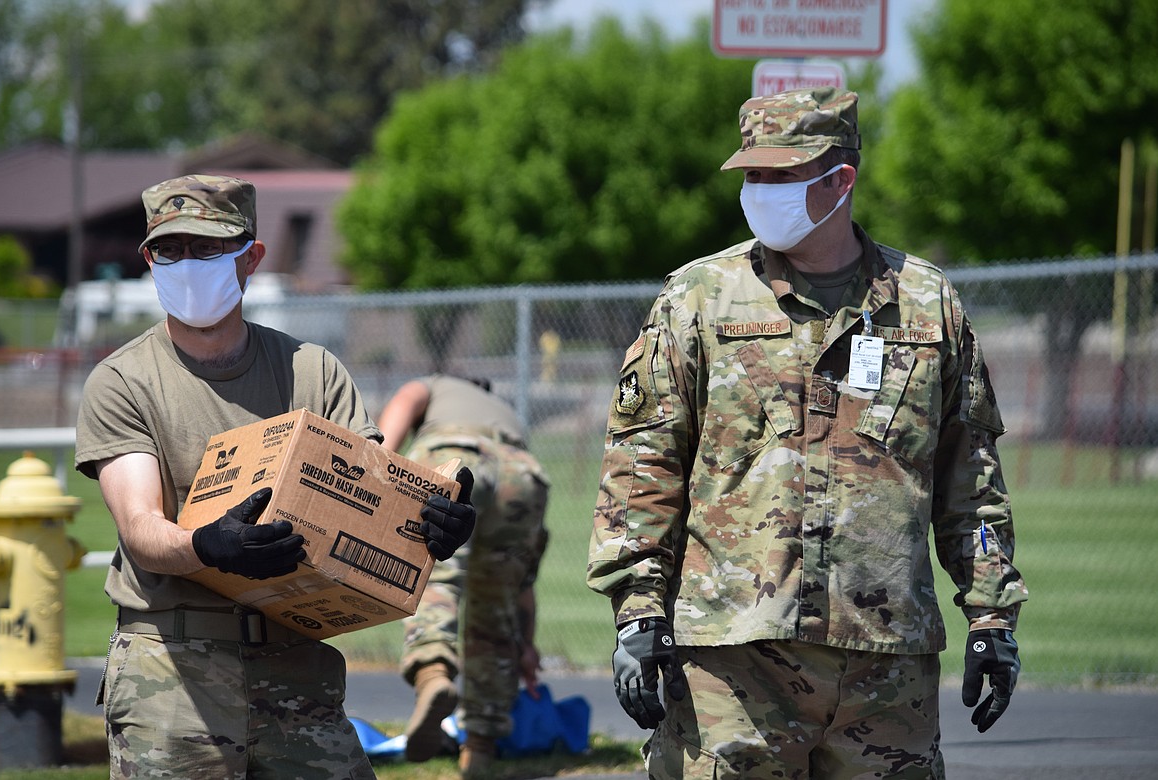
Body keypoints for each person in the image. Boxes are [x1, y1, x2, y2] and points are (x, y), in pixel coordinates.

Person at [586, 87, 1029, 779]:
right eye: (751, 176)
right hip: (734, 666)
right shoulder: (699, 299)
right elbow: (642, 466)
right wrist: (639, 615)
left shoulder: (927, 304)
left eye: (779, 176)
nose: (758, 191)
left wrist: (992, 617)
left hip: (886, 669)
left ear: (840, 180)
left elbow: (970, 482)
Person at [74, 174, 476, 779]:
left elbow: (371, 504)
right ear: (149, 260)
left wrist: (429, 527)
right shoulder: (123, 381)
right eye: (169, 249)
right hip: (173, 670)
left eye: (206, 248)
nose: (186, 264)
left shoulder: (312, 372)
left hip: (296, 660)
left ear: (250, 257)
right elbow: (139, 529)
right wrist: (208, 545)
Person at [376, 374, 550, 777]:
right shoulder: (506, 413)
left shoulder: (437, 384)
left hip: (456, 453)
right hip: (523, 474)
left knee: (433, 567)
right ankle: (480, 747)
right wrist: (524, 645)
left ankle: (433, 670)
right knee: (498, 602)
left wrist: (378, 467)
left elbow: (405, 398)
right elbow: (522, 590)